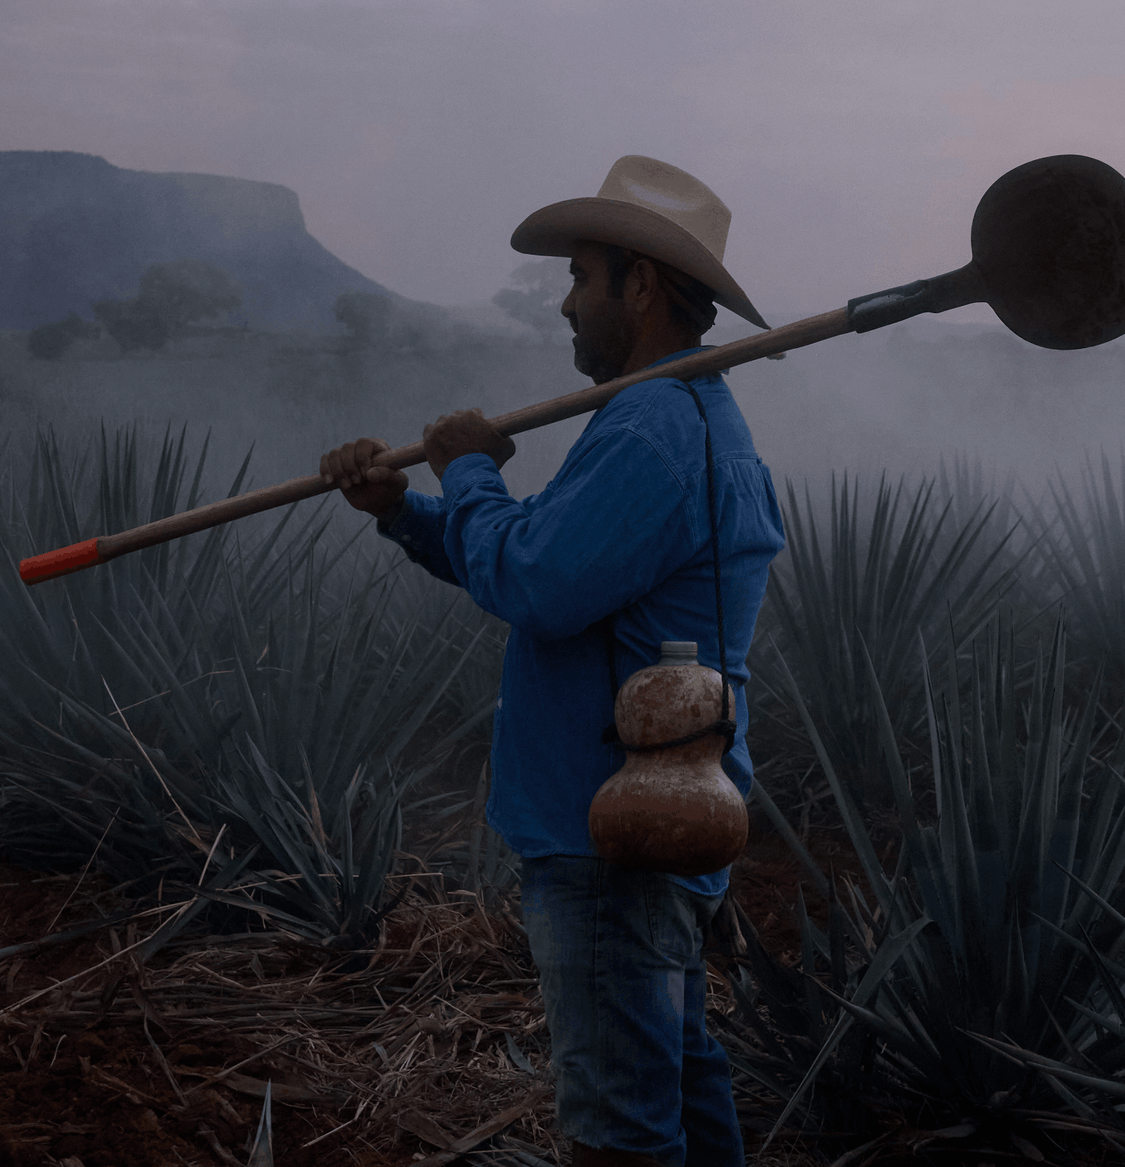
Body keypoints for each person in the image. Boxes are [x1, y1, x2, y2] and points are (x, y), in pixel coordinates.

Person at [319, 156, 785, 1167]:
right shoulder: (674, 418)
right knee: (682, 1090)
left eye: (581, 277)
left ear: (644, 286)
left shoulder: (655, 429)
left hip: (611, 839)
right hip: (657, 815)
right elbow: (543, 562)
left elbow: (531, 582)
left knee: (620, 1131)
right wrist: (404, 511)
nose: (567, 305)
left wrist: (471, 463)